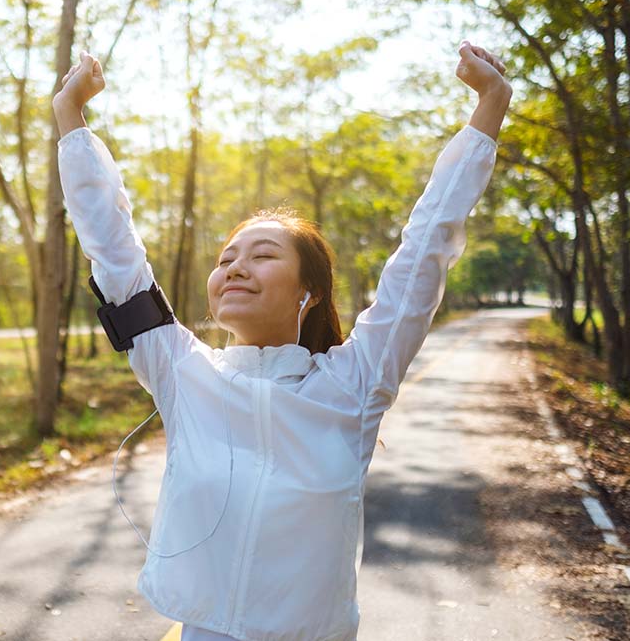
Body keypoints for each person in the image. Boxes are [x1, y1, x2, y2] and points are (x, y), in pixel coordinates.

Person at [53, 41, 511, 641]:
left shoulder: (355, 383)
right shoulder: (181, 370)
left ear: (309, 293)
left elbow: (424, 251)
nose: (235, 268)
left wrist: (490, 107)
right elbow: (114, 250)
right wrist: (70, 119)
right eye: (226, 259)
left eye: (263, 255)